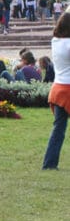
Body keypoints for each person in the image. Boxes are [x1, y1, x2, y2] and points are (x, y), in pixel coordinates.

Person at [43, 12, 70, 169]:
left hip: (57, 87)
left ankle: (49, 163)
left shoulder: (55, 41)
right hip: (68, 88)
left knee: (58, 129)